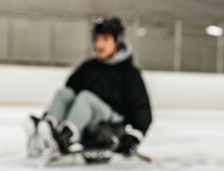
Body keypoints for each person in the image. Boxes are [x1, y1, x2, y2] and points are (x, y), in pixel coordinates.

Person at [25, 16, 151, 162]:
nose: (99, 44)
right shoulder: (89, 67)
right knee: (64, 94)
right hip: (88, 123)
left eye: (105, 39)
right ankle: (48, 128)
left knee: (86, 98)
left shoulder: (129, 73)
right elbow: (69, 97)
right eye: (96, 39)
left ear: (117, 41)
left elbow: (142, 109)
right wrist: (51, 113)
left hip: (112, 127)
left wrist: (134, 137)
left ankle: (66, 137)